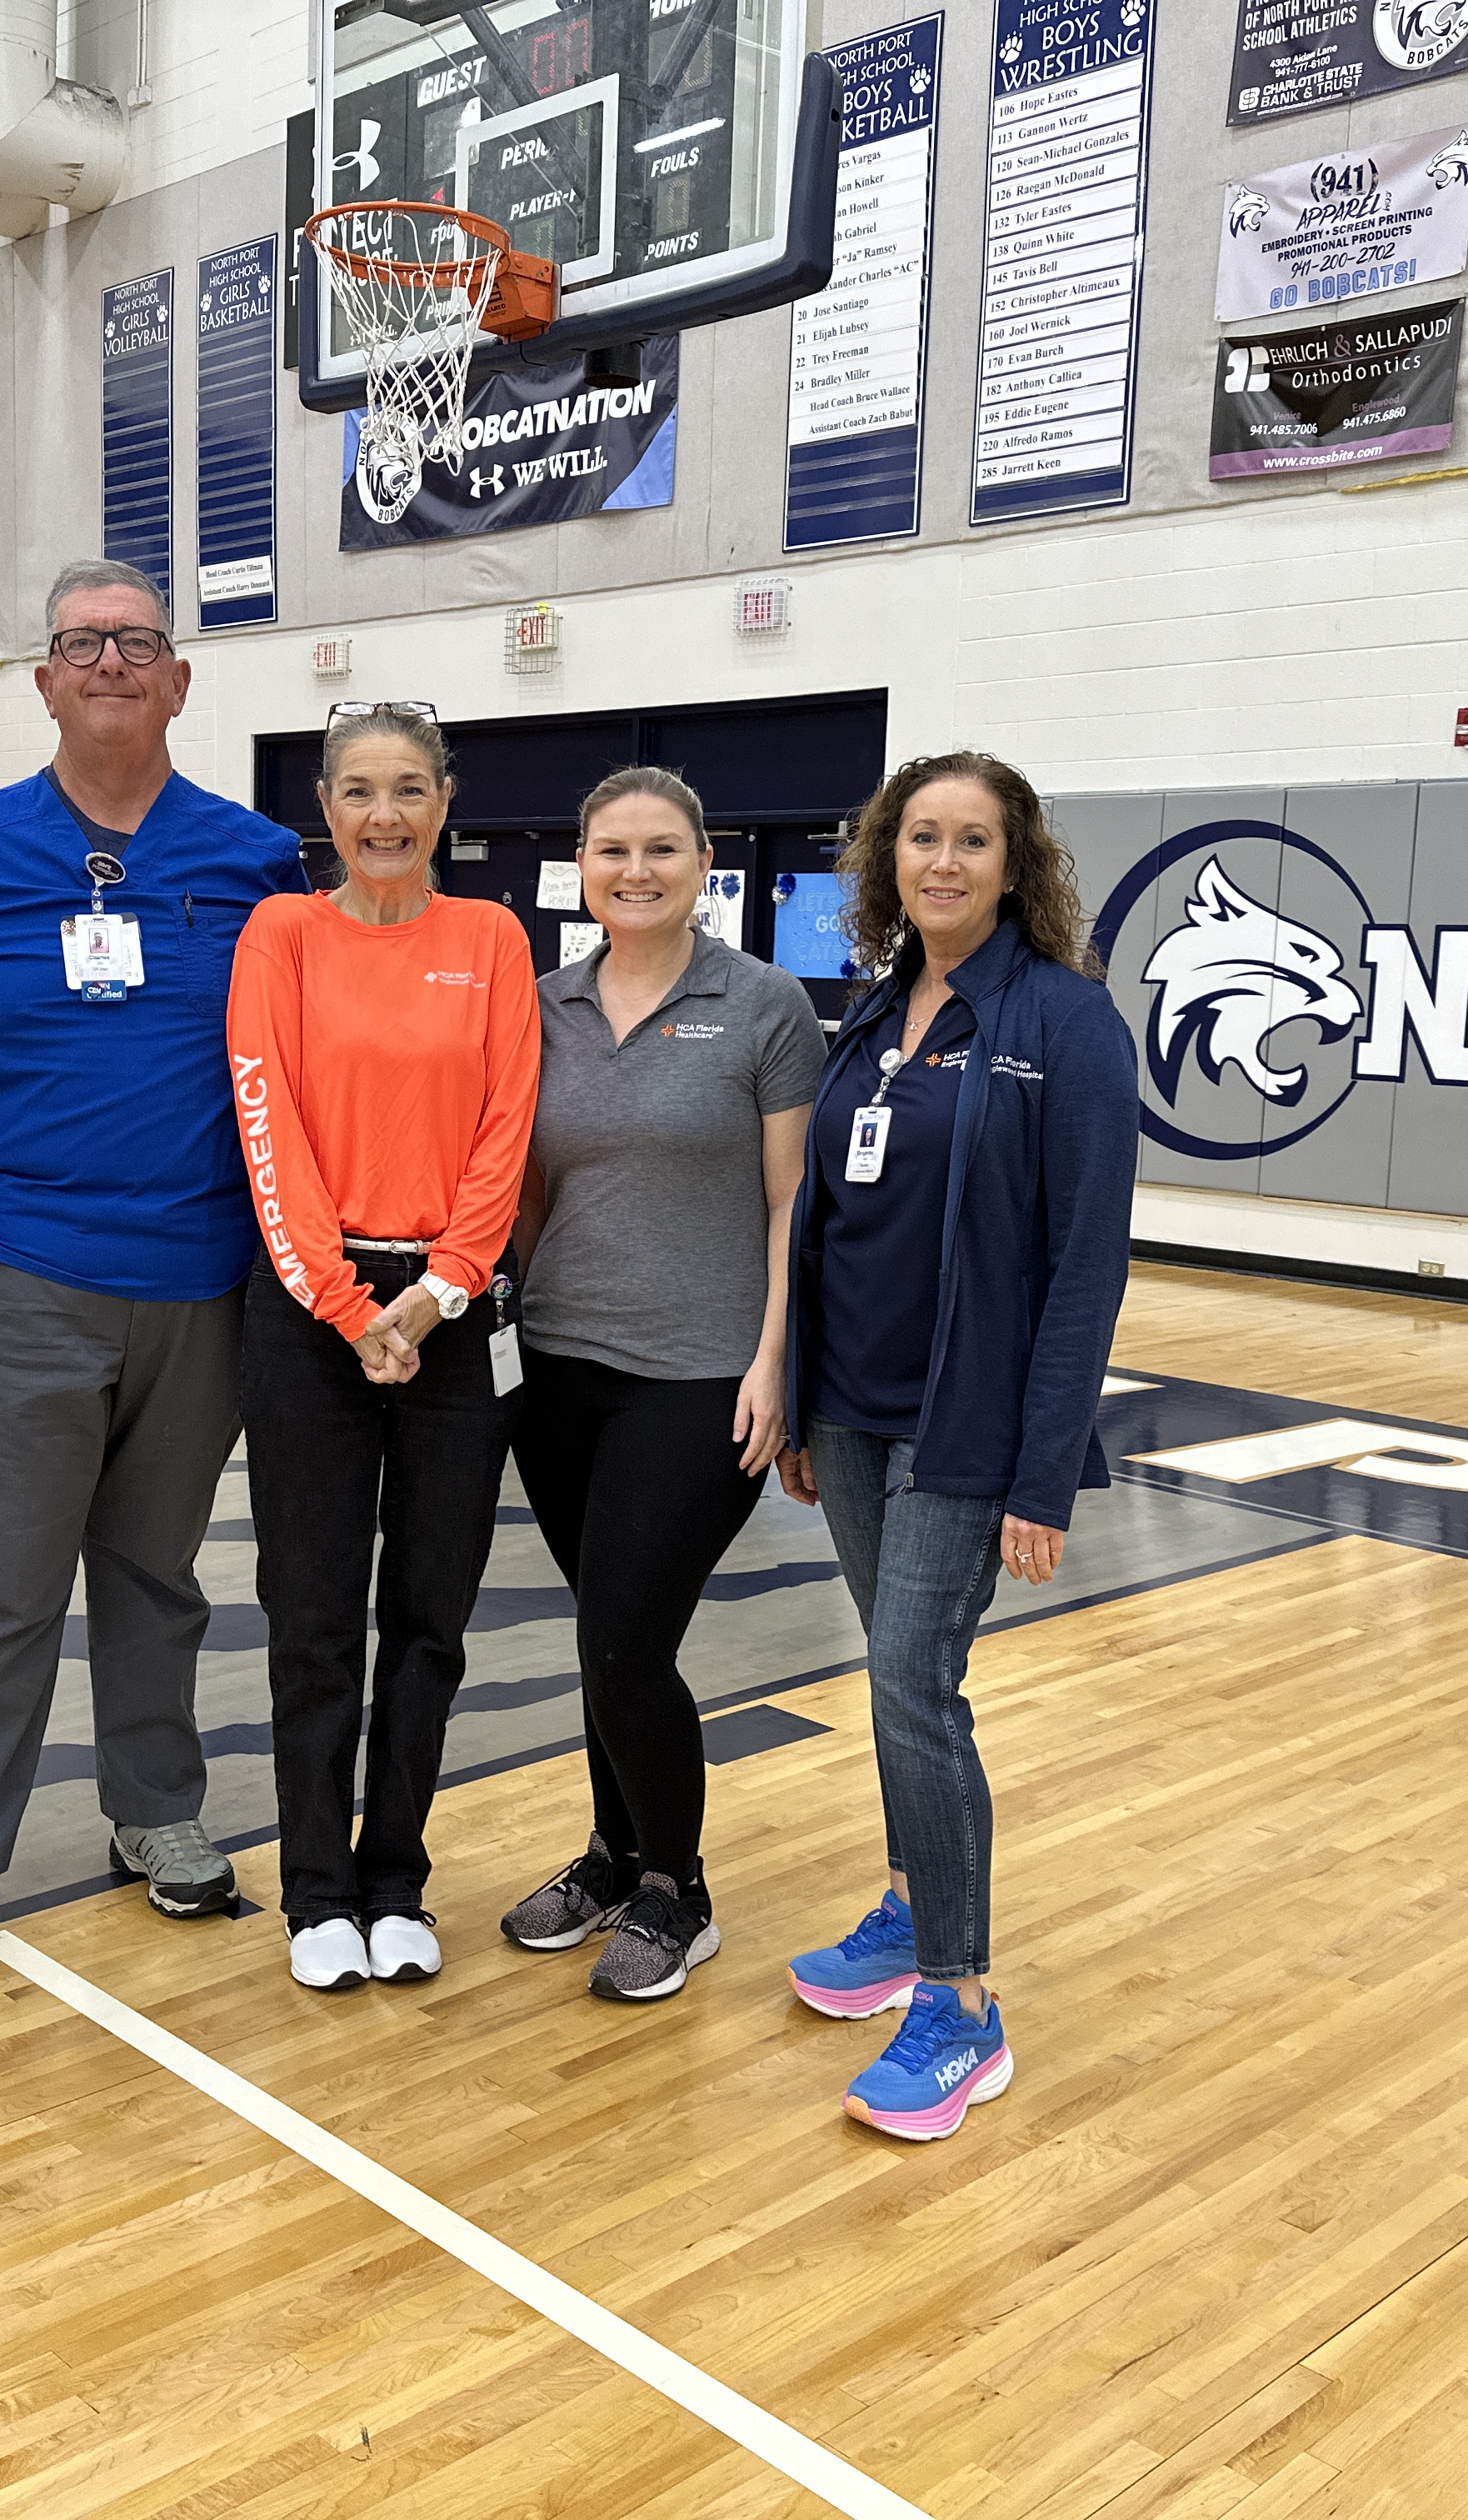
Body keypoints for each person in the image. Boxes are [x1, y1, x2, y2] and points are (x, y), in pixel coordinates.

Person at [0, 560, 307, 1973]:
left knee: (157, 1574)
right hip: (11, 1272)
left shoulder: (255, 858)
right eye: (81, 644)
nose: (110, 662)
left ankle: (156, 1812)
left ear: (178, 682)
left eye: (138, 643)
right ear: (44, 681)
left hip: (201, 1278)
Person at [776, 750, 1137, 2139]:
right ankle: (915, 1901)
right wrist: (808, 1401)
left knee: (914, 1688)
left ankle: (963, 2005)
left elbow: (1081, 1267)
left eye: (972, 841)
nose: (942, 862)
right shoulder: (875, 1012)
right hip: (853, 1415)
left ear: (1015, 861)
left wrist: (1042, 1471)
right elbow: (830, 1224)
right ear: (886, 859)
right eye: (920, 837)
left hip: (965, 1428)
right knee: (890, 1673)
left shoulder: (1065, 1022)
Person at [224, 702, 538, 1992]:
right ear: (327, 807)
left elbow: (508, 1122)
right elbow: (268, 1123)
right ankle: (314, 1891)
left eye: (410, 789)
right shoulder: (280, 933)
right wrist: (352, 1309)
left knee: (429, 1616)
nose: (386, 815)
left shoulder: (493, 938)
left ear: (447, 801)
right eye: (360, 792)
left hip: (452, 1323)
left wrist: (443, 1292)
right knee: (310, 1620)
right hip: (313, 1316)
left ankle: (396, 1873)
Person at [496, 767, 819, 2002]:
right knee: (605, 1639)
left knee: (626, 1640)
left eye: (663, 850)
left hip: (701, 1378)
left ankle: (677, 1888)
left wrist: (777, 1361)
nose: (636, 870)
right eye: (613, 850)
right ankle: (614, 1852)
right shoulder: (541, 1007)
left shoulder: (764, 1005)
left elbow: (796, 1198)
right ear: (583, 864)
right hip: (561, 1370)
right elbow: (523, 1190)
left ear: (704, 865)